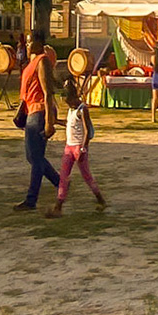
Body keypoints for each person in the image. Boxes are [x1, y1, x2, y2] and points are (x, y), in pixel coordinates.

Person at [13, 36, 62, 212]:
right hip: (31, 112)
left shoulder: (42, 61)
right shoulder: (31, 62)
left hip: (39, 112)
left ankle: (31, 200)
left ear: (39, 43)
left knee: (36, 158)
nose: (26, 44)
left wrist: (49, 121)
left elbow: (48, 92)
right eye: (26, 42)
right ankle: (60, 183)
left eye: (29, 41)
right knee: (33, 157)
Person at [45, 77, 105, 217]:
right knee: (63, 176)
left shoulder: (82, 109)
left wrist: (83, 148)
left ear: (73, 97)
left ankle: (100, 198)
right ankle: (58, 205)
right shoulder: (71, 110)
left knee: (86, 176)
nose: (67, 104)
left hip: (78, 147)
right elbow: (70, 123)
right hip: (69, 147)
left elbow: (87, 130)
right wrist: (57, 122)